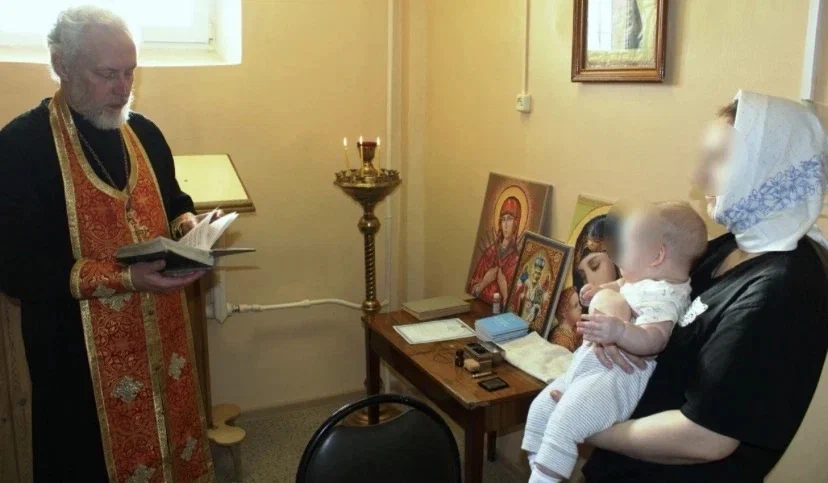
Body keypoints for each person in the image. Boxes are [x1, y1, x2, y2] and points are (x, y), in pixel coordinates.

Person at [0, 7, 214, 481]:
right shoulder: (20, 146)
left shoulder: (145, 132)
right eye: (107, 74)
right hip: (76, 357)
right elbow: (16, 268)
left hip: (162, 339)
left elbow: (174, 201)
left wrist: (190, 226)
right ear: (61, 64)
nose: (123, 88)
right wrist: (125, 278)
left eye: (130, 72)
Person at [575, 91, 828, 482]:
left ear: (771, 167)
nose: (698, 177)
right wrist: (611, 297)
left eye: (720, 159)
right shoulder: (734, 244)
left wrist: (589, 428)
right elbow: (656, 293)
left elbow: (705, 439)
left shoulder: (781, 291)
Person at [522, 202, 708, 483]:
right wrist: (597, 291)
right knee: (541, 407)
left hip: (616, 378)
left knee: (566, 421)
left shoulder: (666, 295)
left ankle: (544, 478)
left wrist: (619, 332)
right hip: (589, 364)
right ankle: (538, 465)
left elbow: (655, 340)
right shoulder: (643, 277)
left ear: (657, 255)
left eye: (627, 245)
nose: (616, 253)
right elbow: (620, 286)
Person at [468, 196, 522, 303]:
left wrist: (505, 292)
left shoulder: (517, 261)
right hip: (480, 305)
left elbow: (515, 307)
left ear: (516, 222)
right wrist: (484, 282)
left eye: (509, 219)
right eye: (503, 219)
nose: (505, 225)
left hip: (498, 312)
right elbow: (471, 292)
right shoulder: (489, 252)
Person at [515, 255, 550, 329]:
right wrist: (521, 297)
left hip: (529, 318)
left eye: (539, 274)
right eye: (536, 272)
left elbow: (538, 306)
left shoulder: (539, 289)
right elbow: (516, 294)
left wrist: (534, 308)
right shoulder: (526, 283)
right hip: (519, 314)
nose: (536, 276)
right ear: (532, 271)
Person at [549, 287, 582, 351]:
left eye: (579, 304)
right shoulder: (561, 341)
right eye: (576, 305)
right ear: (564, 312)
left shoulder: (574, 328)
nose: (580, 308)